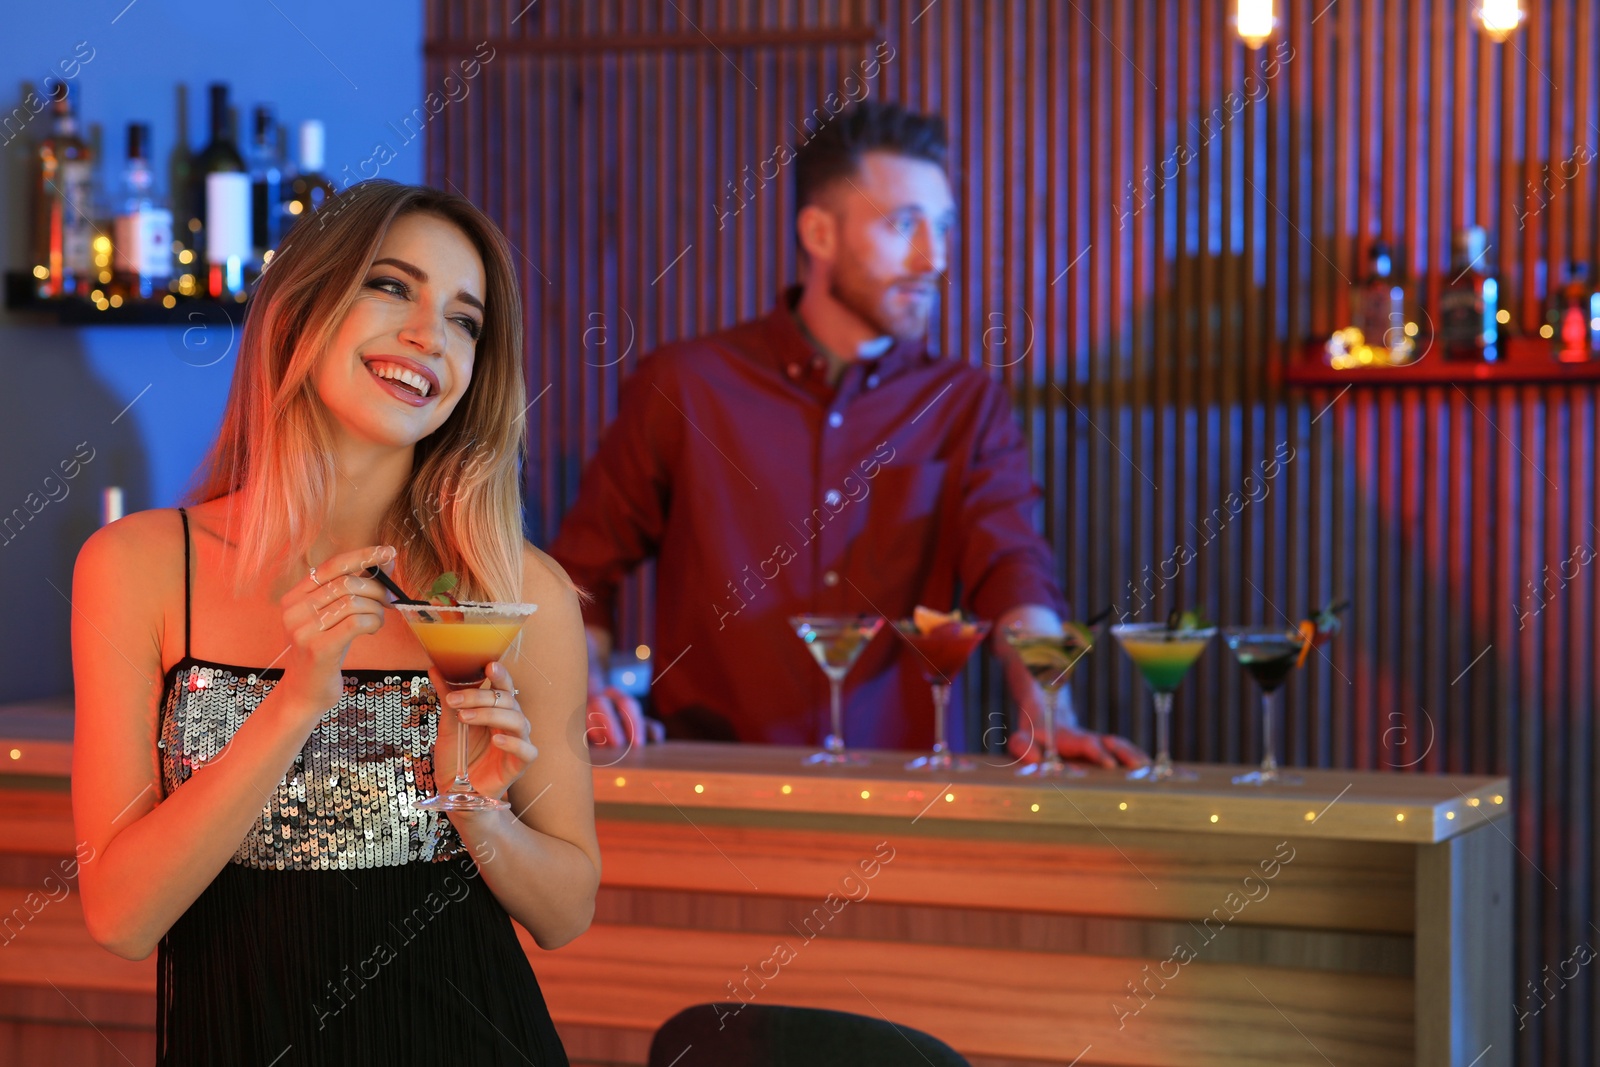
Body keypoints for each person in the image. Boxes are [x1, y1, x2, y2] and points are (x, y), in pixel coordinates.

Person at [70, 180, 593, 1065]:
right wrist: (293, 703)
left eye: (466, 321)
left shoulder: (513, 590)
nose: (432, 335)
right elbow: (122, 916)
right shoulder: (141, 565)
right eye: (392, 286)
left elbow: (567, 908)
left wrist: (475, 808)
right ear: (300, 309)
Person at [550, 101, 1146, 769]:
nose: (935, 257)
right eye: (904, 224)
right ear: (819, 233)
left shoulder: (965, 403)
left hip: (904, 798)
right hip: (708, 784)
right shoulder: (685, 385)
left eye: (943, 227)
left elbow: (1017, 574)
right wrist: (587, 687)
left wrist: (1050, 706)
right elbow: (578, 574)